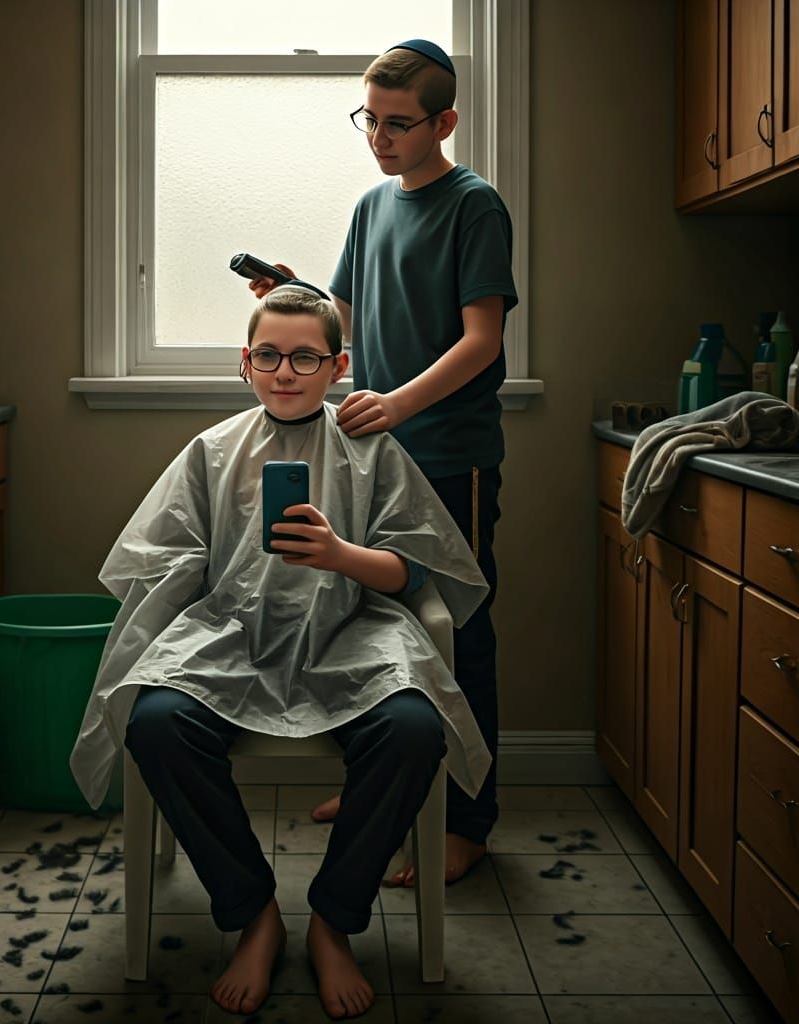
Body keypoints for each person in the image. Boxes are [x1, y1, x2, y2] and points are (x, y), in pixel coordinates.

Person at [70, 284, 491, 1019]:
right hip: (232, 632)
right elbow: (159, 554)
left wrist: (339, 555)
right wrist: (195, 577)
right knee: (156, 725)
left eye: (305, 358)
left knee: (413, 731)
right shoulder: (212, 451)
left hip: (351, 631)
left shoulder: (371, 449)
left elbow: (415, 570)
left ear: (337, 367)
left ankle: (333, 919)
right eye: (268, 355)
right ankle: (253, 912)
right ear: (245, 362)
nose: (285, 372)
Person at [249, 38, 518, 886]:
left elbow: (483, 340)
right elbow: (342, 320)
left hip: (449, 457)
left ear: (445, 122)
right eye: (369, 119)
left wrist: (397, 404)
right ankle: (383, 787)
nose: (379, 138)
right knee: (368, 623)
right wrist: (289, 295)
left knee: (455, 633)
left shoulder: (475, 207)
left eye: (398, 123)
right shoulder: (371, 206)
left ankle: (467, 823)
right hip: (374, 457)